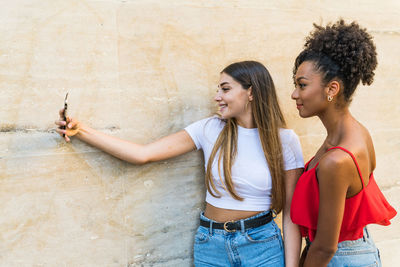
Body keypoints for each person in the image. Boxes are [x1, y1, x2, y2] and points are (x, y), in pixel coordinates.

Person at [55, 61, 304, 266]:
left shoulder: (284, 141)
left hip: (261, 245)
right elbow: (143, 154)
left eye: (225, 89)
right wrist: (82, 131)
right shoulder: (210, 129)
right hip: (211, 245)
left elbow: (292, 213)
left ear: (250, 92)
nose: (217, 97)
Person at [290, 20, 397, 267]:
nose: (294, 94)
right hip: (349, 253)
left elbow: (326, 247)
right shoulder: (352, 134)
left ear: (332, 89)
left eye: (302, 85)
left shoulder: (338, 159)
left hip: (340, 258)